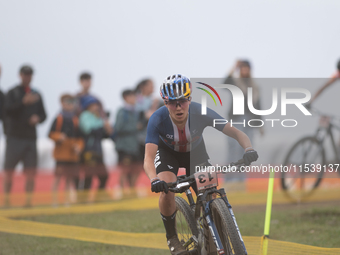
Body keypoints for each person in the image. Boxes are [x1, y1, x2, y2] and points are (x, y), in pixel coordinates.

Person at [143, 74, 258, 254]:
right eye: (173, 103)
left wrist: (249, 149)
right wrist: (153, 179)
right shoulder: (157, 119)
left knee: (210, 194)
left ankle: (212, 232)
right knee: (167, 190)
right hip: (168, 155)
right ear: (165, 103)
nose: (179, 107)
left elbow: (236, 133)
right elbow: (148, 158)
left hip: (195, 154)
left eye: (183, 101)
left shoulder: (201, 112)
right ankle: (172, 238)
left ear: (189, 99)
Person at [3, 65, 47, 207]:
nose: (27, 77)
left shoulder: (36, 94)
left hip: (30, 138)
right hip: (15, 137)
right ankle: (6, 200)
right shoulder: (12, 93)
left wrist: (38, 119)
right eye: (25, 74)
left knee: (30, 172)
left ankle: (28, 202)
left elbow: (44, 114)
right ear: (20, 75)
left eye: (30, 74)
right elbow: (6, 112)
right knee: (9, 171)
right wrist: (23, 103)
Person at [224, 60, 263, 181]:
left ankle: (241, 180)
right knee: (233, 149)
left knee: (246, 150)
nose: (245, 71)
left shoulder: (254, 87)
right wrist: (233, 67)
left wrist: (260, 125)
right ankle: (230, 180)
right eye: (242, 68)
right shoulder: (235, 83)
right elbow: (225, 82)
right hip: (236, 120)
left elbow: (258, 107)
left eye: (247, 68)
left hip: (249, 121)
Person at [49, 94, 84, 206]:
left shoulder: (75, 120)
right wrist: (58, 137)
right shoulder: (58, 118)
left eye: (71, 102)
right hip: (61, 154)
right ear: (62, 103)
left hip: (72, 155)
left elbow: (80, 137)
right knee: (58, 178)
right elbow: (50, 134)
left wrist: (79, 146)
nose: (70, 105)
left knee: (69, 179)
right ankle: (54, 200)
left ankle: (67, 200)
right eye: (67, 102)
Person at [79, 96, 113, 201]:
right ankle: (83, 200)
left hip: (98, 150)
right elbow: (88, 130)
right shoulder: (84, 116)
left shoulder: (98, 117)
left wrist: (107, 130)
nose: (96, 107)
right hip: (89, 150)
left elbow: (103, 135)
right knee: (89, 176)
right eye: (94, 105)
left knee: (104, 176)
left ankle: (97, 197)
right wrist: (103, 125)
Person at [114, 89, 142, 197]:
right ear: (126, 97)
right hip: (124, 146)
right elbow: (118, 128)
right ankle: (122, 193)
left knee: (136, 169)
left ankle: (131, 192)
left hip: (134, 146)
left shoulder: (135, 111)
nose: (134, 98)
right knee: (124, 171)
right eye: (132, 96)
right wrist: (134, 127)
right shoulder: (122, 111)